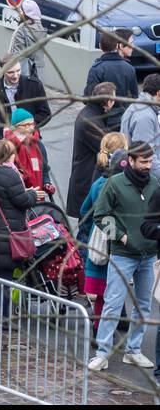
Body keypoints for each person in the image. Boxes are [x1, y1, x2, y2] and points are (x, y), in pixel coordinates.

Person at [87, 142, 158, 373]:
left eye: (151, 161)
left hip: (148, 256)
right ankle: (103, 353)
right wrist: (121, 236)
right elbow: (100, 215)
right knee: (113, 304)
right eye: (144, 162)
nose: (149, 166)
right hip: (123, 255)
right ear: (132, 160)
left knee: (143, 305)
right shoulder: (114, 184)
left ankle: (133, 350)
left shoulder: (155, 184)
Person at [0, 138, 47, 316]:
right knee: (6, 279)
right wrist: (32, 193)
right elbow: (22, 201)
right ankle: (3, 316)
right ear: (7, 155)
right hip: (7, 237)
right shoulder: (9, 175)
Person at [79, 132, 128, 322]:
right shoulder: (120, 185)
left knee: (102, 290)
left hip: (98, 240)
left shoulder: (99, 183)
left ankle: (102, 325)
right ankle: (107, 326)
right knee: (114, 285)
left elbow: (85, 211)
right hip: (114, 241)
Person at [68, 82, 117, 218]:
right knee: (87, 224)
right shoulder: (91, 121)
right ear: (107, 102)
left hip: (86, 176)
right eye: (113, 99)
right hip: (87, 179)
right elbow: (108, 146)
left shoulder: (92, 113)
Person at [0, 54, 51, 142]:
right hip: (4, 143)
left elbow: (45, 113)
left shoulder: (34, 85)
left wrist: (27, 127)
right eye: (10, 72)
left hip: (30, 139)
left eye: (18, 70)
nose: (16, 75)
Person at [84, 30, 138, 131]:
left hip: (102, 122)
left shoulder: (97, 69)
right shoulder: (129, 68)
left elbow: (89, 98)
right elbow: (134, 97)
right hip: (123, 120)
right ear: (118, 46)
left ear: (100, 46)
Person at [122, 73, 160, 178]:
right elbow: (144, 156)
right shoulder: (145, 117)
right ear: (158, 93)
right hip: (144, 179)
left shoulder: (137, 107)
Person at [7, 0, 46, 80]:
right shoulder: (41, 29)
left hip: (20, 75)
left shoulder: (21, 31)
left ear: (27, 14)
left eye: (21, 11)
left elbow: (17, 56)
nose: (19, 13)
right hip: (37, 74)